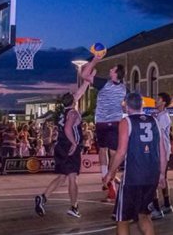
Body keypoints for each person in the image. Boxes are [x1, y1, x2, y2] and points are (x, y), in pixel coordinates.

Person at [103, 92, 167, 235]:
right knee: (144, 215)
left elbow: (121, 152)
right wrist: (162, 174)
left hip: (133, 177)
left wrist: (110, 173)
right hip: (151, 176)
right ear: (142, 104)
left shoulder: (126, 122)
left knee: (122, 219)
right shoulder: (155, 121)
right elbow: (162, 150)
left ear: (126, 105)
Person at [34, 80, 89, 218]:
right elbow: (67, 128)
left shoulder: (63, 112)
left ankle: (43, 197)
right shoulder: (73, 113)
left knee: (62, 177)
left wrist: (87, 81)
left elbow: (78, 93)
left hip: (60, 146)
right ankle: (74, 207)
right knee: (72, 178)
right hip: (69, 147)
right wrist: (74, 143)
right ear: (74, 101)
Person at [81, 55, 126, 201]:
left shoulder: (104, 84)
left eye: (112, 69)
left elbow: (84, 75)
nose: (110, 69)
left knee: (103, 151)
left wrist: (94, 60)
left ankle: (108, 180)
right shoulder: (125, 88)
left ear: (116, 73)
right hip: (115, 123)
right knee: (113, 154)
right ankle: (110, 179)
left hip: (102, 122)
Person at [149, 92, 173, 220]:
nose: (155, 101)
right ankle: (167, 204)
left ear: (163, 102)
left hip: (162, 151)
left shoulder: (164, 116)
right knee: (162, 177)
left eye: (158, 99)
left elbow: (157, 133)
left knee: (155, 178)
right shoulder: (159, 115)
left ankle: (157, 208)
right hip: (161, 150)